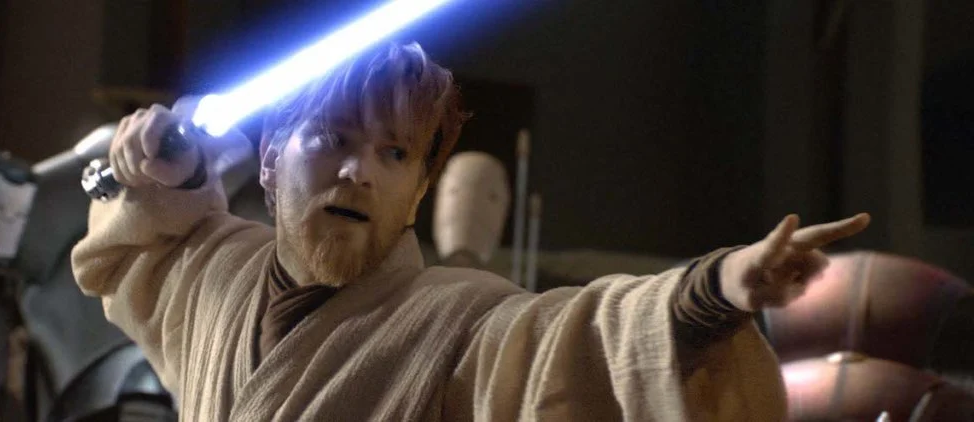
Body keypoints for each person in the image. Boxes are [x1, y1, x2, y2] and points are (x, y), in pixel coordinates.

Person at [71, 42, 870, 420]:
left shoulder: (459, 321)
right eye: (334, 139)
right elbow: (139, 248)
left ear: (418, 191)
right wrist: (165, 172)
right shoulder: (219, 275)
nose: (359, 172)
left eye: (394, 154)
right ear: (273, 159)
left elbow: (577, 343)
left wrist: (712, 291)